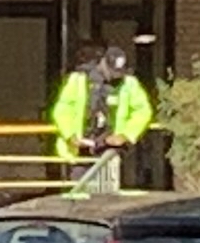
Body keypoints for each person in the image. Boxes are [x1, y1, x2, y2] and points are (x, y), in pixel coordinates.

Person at [49, 44, 155, 178]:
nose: (114, 76)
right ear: (103, 62)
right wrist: (70, 135)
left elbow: (142, 111)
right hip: (82, 148)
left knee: (108, 192)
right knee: (80, 189)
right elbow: (63, 109)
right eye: (111, 71)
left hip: (110, 147)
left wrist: (126, 135)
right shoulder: (79, 79)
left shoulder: (129, 83)